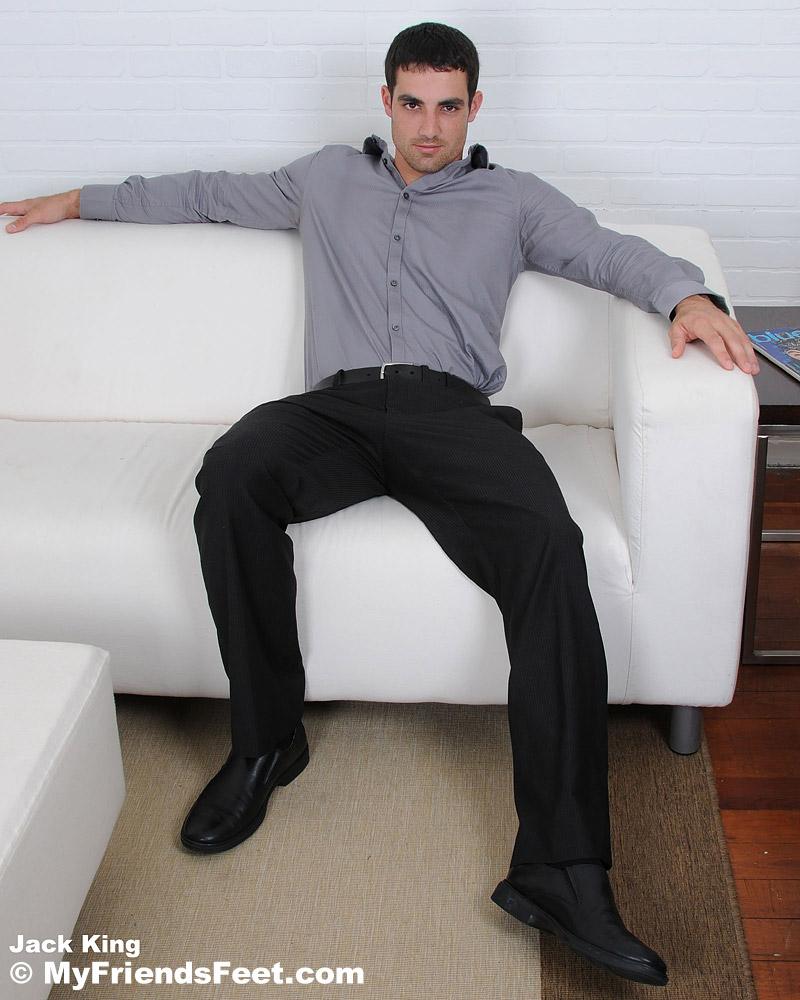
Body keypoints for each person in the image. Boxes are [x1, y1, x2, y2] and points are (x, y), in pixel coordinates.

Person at [0, 21, 759, 989]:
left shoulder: (514, 199)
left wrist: (689, 298)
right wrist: (77, 200)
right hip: (337, 410)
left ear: (475, 107)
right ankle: (267, 742)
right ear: (386, 101)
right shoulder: (324, 178)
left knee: (548, 546)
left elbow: (609, 253)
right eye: (412, 104)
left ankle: (562, 869)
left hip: (454, 415)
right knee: (232, 474)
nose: (429, 127)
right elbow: (201, 193)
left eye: (448, 106)